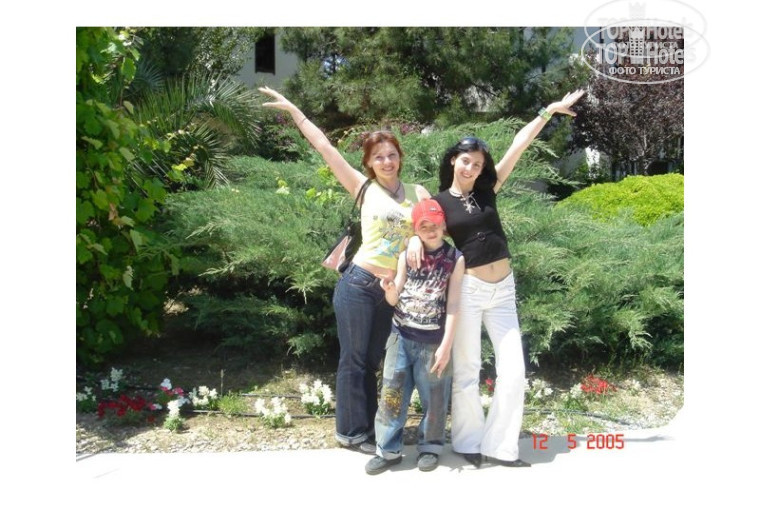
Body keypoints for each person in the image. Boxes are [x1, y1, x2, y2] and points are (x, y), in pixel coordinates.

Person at [409, 89, 585, 468]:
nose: (471, 168)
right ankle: (468, 443)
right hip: (469, 290)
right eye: (465, 161)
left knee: (514, 370)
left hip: (503, 290)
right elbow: (422, 230)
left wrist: (548, 111)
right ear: (453, 160)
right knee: (468, 370)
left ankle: (501, 447)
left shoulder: (489, 190)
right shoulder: (439, 202)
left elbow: (519, 144)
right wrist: (411, 238)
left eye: (477, 164)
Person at [259, 86, 430, 453]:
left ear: (400, 157)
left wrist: (418, 238)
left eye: (392, 154)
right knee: (354, 360)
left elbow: (434, 229)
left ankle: (368, 428)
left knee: (372, 361)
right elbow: (325, 147)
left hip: (392, 291)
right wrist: (294, 111)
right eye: (378, 157)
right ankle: (351, 434)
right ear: (369, 162)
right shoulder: (362, 187)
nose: (386, 161)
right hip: (359, 284)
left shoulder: (419, 192)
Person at [364, 199, 465, 475]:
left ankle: (430, 446)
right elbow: (394, 296)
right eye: (424, 226)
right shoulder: (406, 255)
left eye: (435, 225)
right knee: (392, 395)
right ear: (416, 229)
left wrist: (446, 345)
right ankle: (387, 450)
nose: (431, 231)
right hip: (400, 337)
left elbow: (454, 305)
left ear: (443, 225)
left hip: (433, 342)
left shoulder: (455, 258)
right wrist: (388, 289)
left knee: (435, 398)